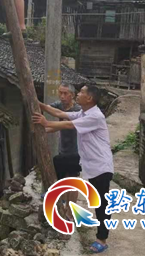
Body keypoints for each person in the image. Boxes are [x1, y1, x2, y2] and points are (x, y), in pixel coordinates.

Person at [33, 85, 114, 254]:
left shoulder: (95, 116)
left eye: (82, 92)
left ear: (89, 98)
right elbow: (61, 114)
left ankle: (102, 239)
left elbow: (69, 125)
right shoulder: (83, 112)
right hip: (86, 161)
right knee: (59, 161)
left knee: (101, 204)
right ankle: (55, 191)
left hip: (100, 166)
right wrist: (39, 104)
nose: (78, 94)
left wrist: (46, 123)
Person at [48, 83, 82, 212]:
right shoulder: (60, 105)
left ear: (72, 95)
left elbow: (66, 125)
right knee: (63, 180)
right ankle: (63, 206)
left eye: (65, 93)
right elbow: (48, 108)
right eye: (60, 93)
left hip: (76, 151)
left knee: (72, 181)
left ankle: (71, 209)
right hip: (63, 149)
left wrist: (47, 127)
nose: (62, 96)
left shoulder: (78, 110)